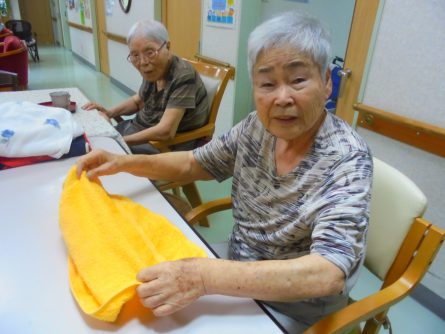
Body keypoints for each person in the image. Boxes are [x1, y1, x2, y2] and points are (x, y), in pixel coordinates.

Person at [76, 11, 373, 332]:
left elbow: (327, 272)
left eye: (298, 80)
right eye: (267, 83)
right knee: (134, 295)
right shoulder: (256, 127)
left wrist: (203, 277)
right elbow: (194, 163)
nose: (282, 97)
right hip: (236, 263)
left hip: (296, 305)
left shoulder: (346, 158)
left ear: (327, 82)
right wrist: (124, 162)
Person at [82, 19, 209, 154]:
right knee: (90, 138)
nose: (143, 62)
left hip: (163, 146)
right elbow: (138, 101)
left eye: (150, 52)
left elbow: (166, 131)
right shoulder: (155, 70)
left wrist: (121, 140)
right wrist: (108, 113)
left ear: (168, 47)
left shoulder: (183, 74)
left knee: (97, 153)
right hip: (139, 131)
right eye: (135, 55)